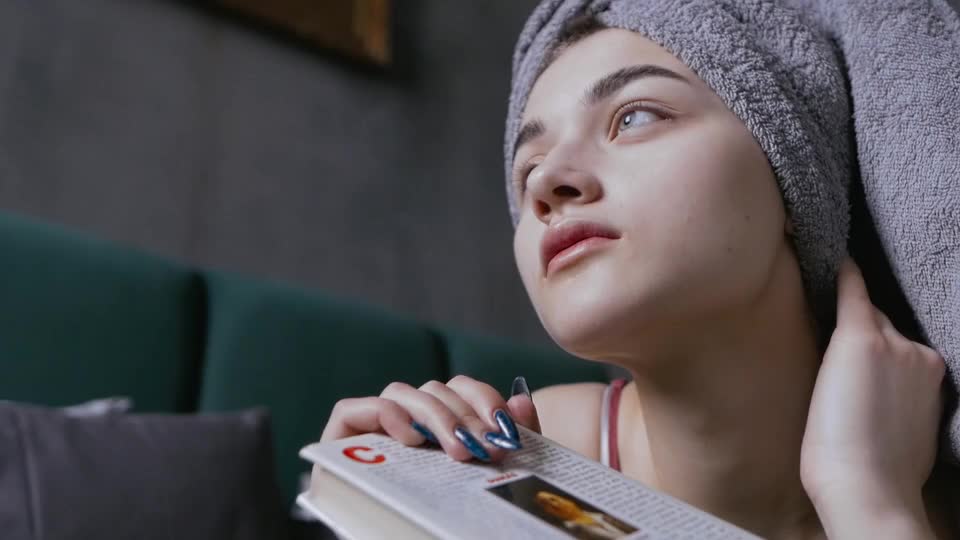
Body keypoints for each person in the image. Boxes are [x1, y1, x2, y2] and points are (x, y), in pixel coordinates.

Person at [321, 5, 958, 539]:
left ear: (796, 177)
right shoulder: (535, 456)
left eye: (636, 117)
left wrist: (868, 498)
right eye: (527, 167)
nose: (546, 181)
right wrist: (361, 507)